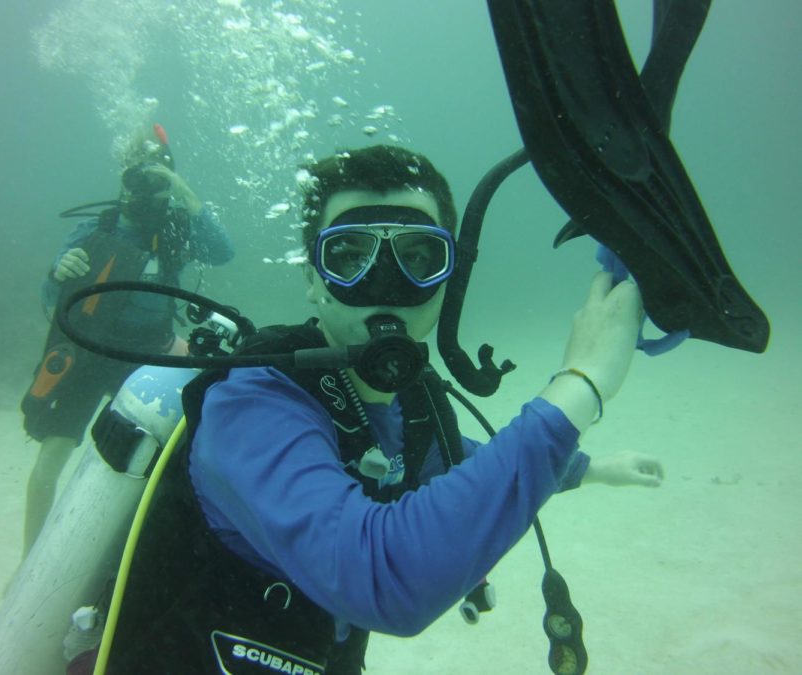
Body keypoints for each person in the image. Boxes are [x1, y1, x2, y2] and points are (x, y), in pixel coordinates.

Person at [103, 145, 662, 674]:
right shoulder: (253, 403)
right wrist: (581, 383)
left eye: (419, 257)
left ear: (450, 279)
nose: (386, 285)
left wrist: (590, 470)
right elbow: (382, 578)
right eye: (349, 255)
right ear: (312, 279)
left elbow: (463, 461)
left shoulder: (415, 407)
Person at [20, 124, 234, 559]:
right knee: (53, 454)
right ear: (122, 178)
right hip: (88, 352)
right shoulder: (96, 227)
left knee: (149, 462)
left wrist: (185, 193)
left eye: (156, 179)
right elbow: (50, 299)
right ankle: (29, 559)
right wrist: (59, 273)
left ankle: (128, 557)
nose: (144, 190)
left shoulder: (176, 231)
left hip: (146, 359)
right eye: (136, 177)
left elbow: (222, 250)